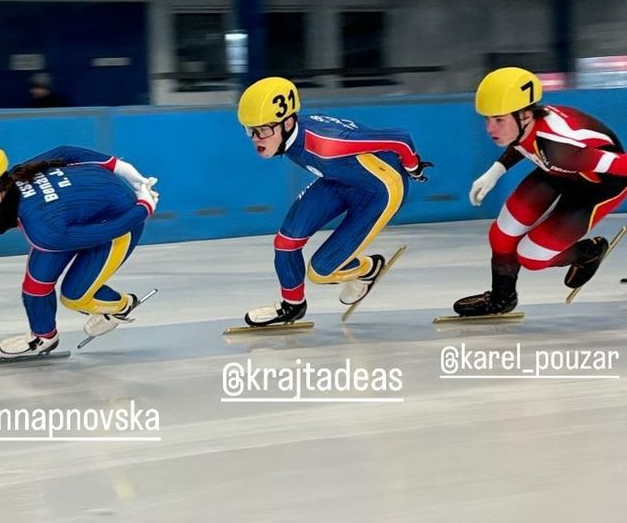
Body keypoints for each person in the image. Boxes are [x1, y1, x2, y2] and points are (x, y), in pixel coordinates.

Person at [237, 75, 428, 327]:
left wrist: (413, 168)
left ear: (288, 122)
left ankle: (368, 268)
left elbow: (399, 138)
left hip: (380, 191)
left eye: (263, 130)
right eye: (250, 130)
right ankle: (292, 305)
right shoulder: (293, 134)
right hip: (338, 179)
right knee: (285, 242)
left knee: (320, 272)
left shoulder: (326, 144)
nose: (256, 138)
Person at [0, 142, 159, 359]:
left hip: (119, 220)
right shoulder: (18, 175)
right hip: (73, 215)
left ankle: (121, 305)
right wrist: (121, 168)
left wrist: (143, 207)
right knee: (36, 285)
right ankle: (43, 336)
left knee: (75, 296)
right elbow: (65, 151)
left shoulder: (43, 231)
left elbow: (110, 230)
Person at [456, 66, 627, 316]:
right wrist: (496, 170)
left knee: (532, 256)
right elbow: (521, 142)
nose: (490, 129)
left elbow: (621, 165)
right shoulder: (528, 125)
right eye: (487, 119)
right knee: (502, 233)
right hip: (557, 171)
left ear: (525, 115)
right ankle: (502, 299)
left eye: (499, 120)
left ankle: (588, 252)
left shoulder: (561, 149)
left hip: (596, 187)